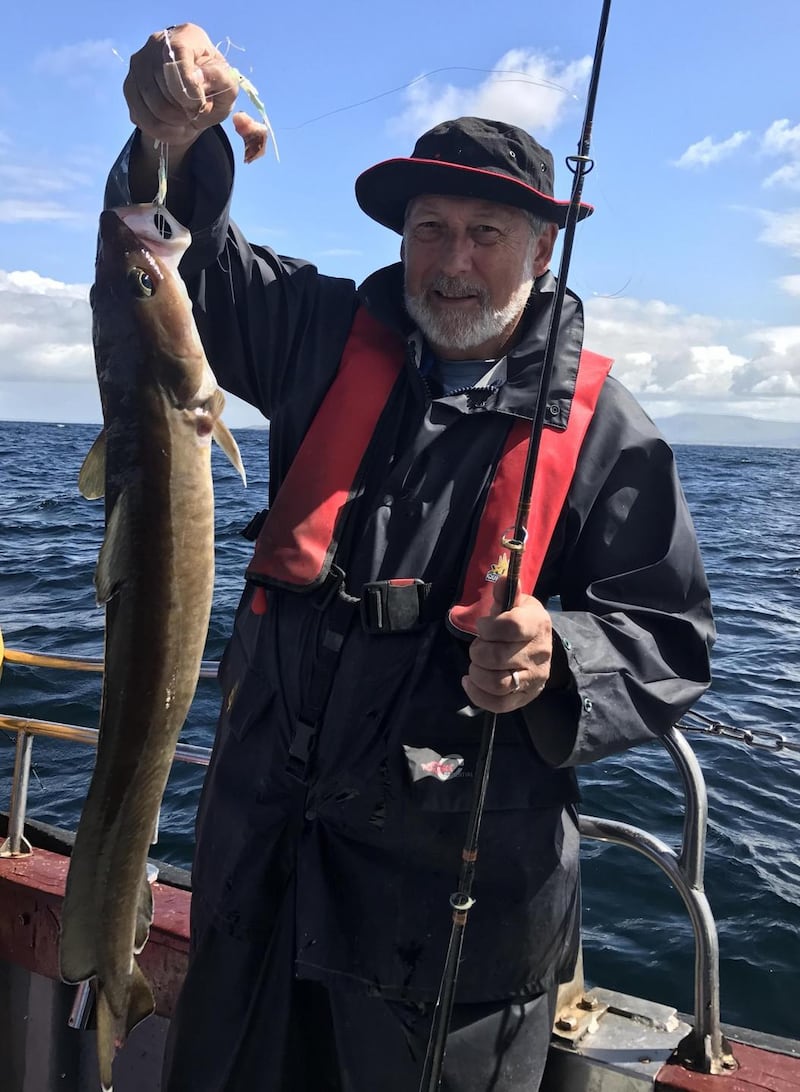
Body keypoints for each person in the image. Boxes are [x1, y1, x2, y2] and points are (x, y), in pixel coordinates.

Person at [111, 23, 714, 1092]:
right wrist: (170, 138)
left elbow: (666, 635)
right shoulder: (318, 333)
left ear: (541, 247)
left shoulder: (610, 432)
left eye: (486, 231)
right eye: (429, 229)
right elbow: (174, 256)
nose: (451, 260)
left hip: (450, 923)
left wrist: (560, 656)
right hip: (260, 862)